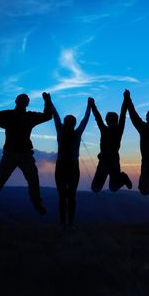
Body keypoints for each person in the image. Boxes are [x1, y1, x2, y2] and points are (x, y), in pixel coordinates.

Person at [0, 93, 52, 215]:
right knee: (25, 180)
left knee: (1, 181)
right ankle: (37, 205)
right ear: (18, 101)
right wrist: (47, 101)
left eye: (24, 100)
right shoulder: (26, 116)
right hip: (17, 154)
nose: (23, 101)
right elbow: (48, 116)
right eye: (23, 100)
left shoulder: (10, 115)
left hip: (17, 154)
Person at [49, 95, 91, 228]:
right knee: (69, 196)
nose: (68, 123)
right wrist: (89, 106)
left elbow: (56, 116)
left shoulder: (61, 132)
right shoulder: (76, 133)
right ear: (73, 124)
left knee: (65, 196)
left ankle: (65, 223)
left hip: (63, 166)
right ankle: (68, 223)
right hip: (71, 166)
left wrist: (49, 101)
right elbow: (84, 120)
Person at [90, 90, 132, 192]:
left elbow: (122, 115)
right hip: (106, 161)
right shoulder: (111, 129)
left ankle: (123, 177)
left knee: (100, 188)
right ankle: (122, 177)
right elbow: (121, 115)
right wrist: (126, 99)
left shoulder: (117, 130)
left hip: (111, 162)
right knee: (102, 188)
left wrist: (93, 105)